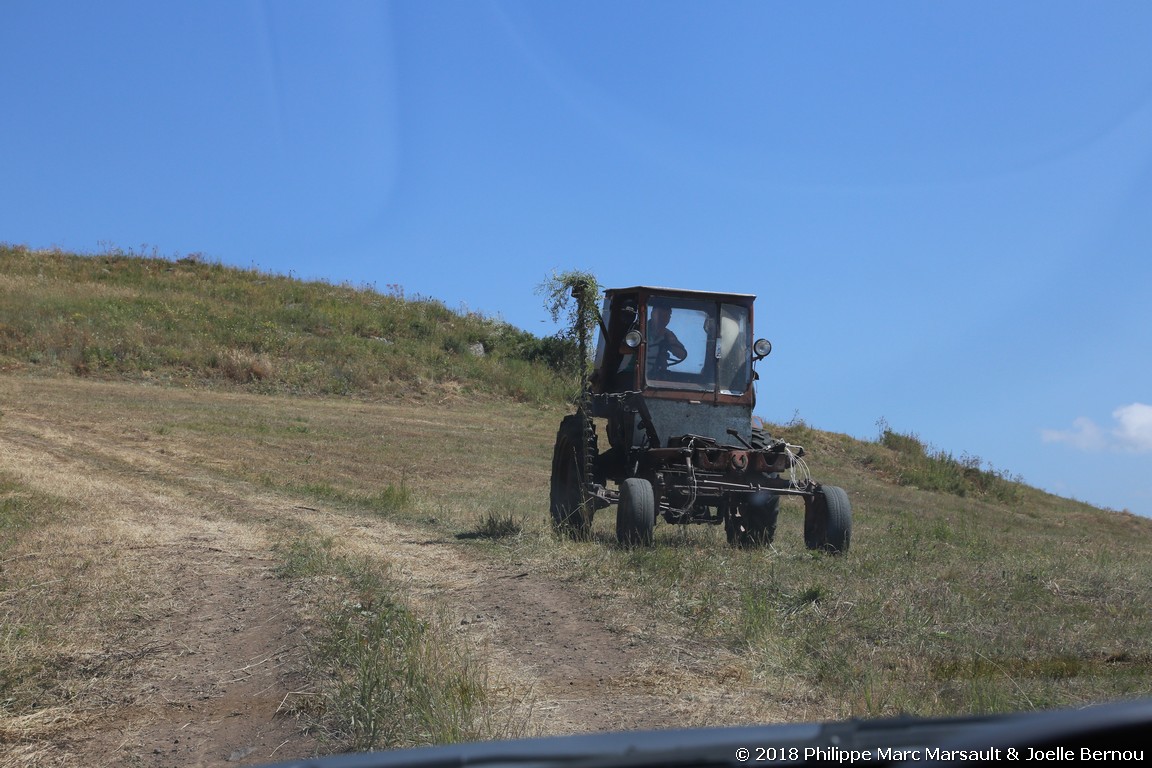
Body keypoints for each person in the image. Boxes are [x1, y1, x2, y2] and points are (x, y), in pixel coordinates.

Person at [646, 303, 687, 375]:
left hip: (653, 377)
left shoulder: (668, 336)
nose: (663, 319)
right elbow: (623, 349)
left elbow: (681, 355)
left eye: (667, 316)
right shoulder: (640, 330)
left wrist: (671, 339)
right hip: (632, 373)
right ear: (652, 314)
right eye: (660, 315)